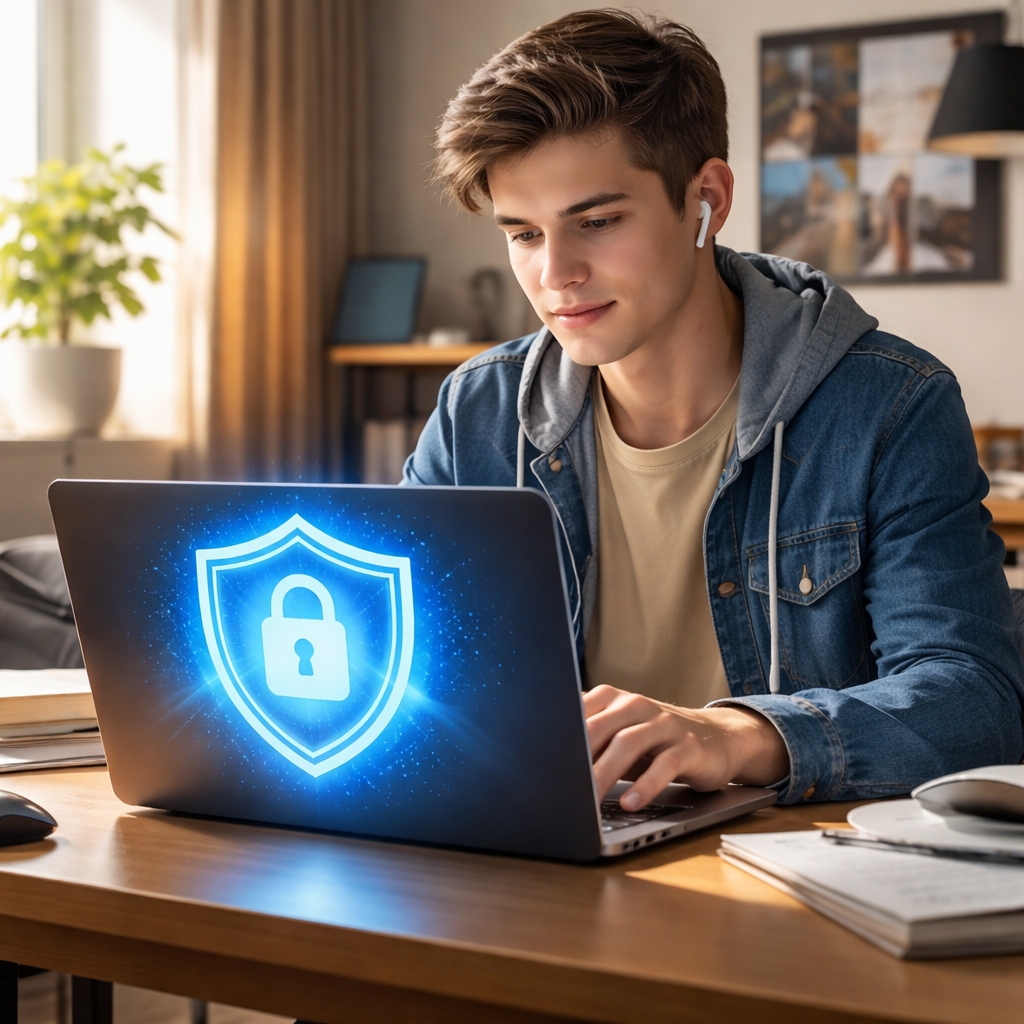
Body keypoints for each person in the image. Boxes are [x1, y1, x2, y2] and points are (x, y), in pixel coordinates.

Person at [403, 9, 1024, 810]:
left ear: (707, 198)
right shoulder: (477, 410)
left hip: (791, 880)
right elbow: (406, 666)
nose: (555, 273)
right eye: (523, 233)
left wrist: (736, 736)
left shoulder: (889, 405)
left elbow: (973, 702)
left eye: (596, 222)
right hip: (544, 860)